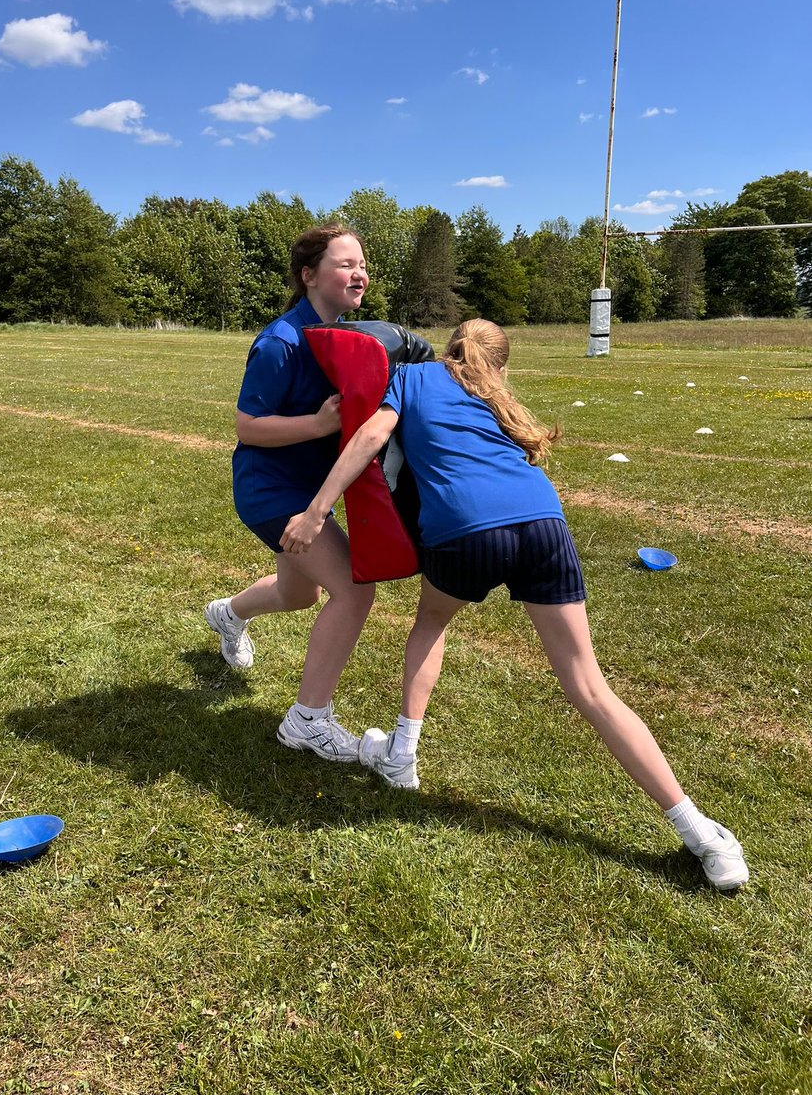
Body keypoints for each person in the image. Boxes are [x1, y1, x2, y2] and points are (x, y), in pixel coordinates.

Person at [280, 319, 749, 892]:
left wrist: (316, 511)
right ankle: (702, 833)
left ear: (450, 348)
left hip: (463, 531)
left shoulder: (416, 376)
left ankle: (403, 751)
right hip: (543, 522)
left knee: (431, 620)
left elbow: (372, 437)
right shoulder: (499, 395)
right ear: (501, 364)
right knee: (590, 686)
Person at [204, 224, 375, 764]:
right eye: (345, 264)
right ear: (309, 276)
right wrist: (318, 427)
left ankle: (228, 614)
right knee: (353, 590)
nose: (359, 273)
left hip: (308, 487)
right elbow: (247, 426)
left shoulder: (349, 337)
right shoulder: (280, 341)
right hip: (272, 490)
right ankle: (309, 720)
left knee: (302, 595)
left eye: (362, 264)